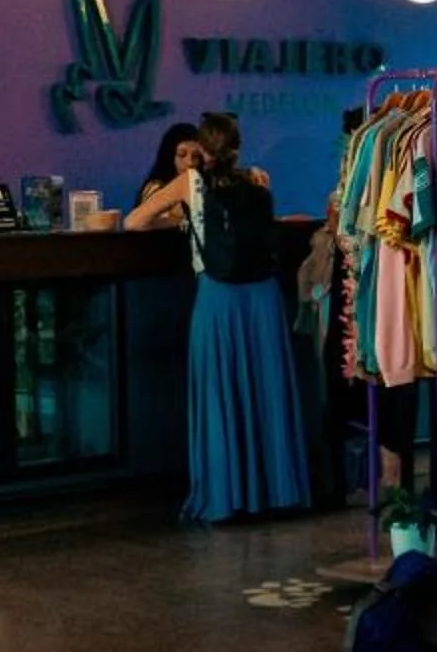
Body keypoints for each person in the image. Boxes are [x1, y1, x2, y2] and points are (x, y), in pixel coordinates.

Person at [126, 112, 309, 522]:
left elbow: (133, 220)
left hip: (219, 297)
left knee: (220, 393)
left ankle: (227, 496)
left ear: (202, 152)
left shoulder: (190, 184)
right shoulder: (257, 181)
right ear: (237, 148)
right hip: (263, 299)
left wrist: (178, 218)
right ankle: (274, 490)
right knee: (265, 393)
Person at [130, 122, 206, 229]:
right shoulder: (156, 187)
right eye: (182, 155)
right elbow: (135, 224)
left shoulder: (203, 184)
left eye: (196, 156)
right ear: (170, 156)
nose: (190, 162)